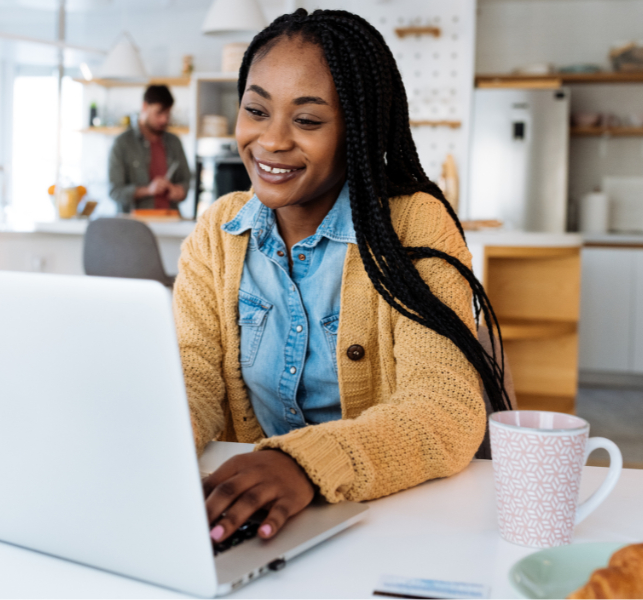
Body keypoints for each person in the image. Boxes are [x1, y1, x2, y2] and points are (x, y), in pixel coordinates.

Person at [173, 9, 512, 546]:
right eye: (256, 110)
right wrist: (151, 447)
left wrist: (303, 465)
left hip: (386, 519)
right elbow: (193, 378)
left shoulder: (413, 224)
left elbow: (445, 408)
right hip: (255, 519)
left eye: (307, 121)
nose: (272, 141)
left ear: (357, 130)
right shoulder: (218, 230)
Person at [108, 85, 191, 213]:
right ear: (145, 107)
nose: (164, 119)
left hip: (171, 221)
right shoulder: (122, 143)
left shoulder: (174, 142)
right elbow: (115, 192)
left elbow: (186, 181)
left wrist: (180, 190)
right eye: (159, 113)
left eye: (167, 114)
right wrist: (148, 190)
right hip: (135, 225)